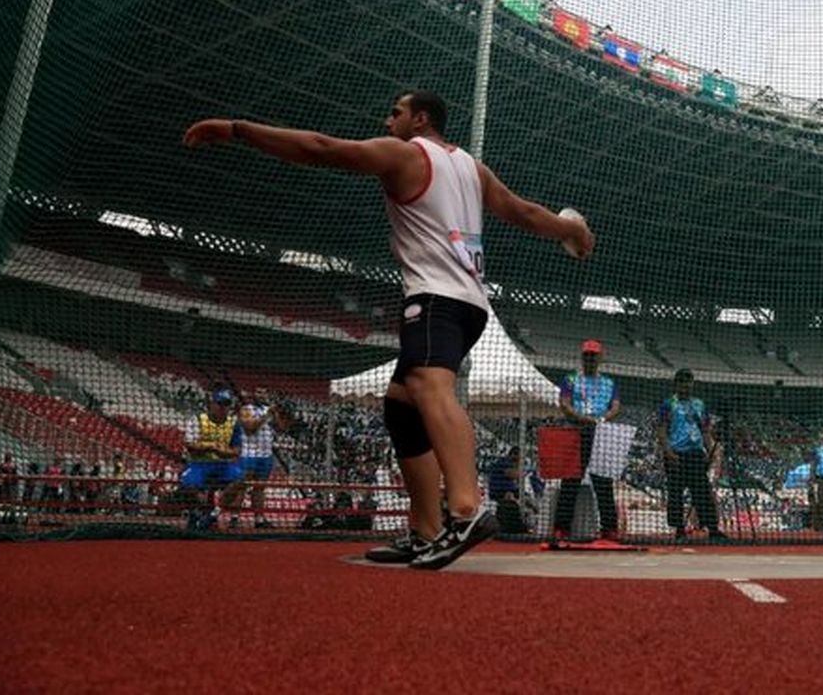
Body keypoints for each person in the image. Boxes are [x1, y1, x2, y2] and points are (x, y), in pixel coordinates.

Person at [185, 91, 593, 568]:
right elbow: (523, 213)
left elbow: (322, 148)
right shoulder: (470, 167)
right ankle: (425, 530)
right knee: (400, 409)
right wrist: (570, 231)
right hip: (469, 306)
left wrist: (239, 129)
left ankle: (465, 508)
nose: (388, 118)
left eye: (396, 112)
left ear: (420, 119)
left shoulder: (405, 152)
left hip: (434, 299)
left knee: (427, 385)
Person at [552, 339, 622, 542]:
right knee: (570, 480)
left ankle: (609, 528)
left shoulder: (609, 383)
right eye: (587, 355)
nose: (590, 359)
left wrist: (603, 419)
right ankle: (561, 527)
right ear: (582, 357)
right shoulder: (571, 380)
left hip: (601, 434)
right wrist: (584, 419)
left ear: (600, 358)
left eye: (594, 355)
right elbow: (564, 405)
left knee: (603, 482)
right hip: (576, 431)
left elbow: (616, 406)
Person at [657, 368, 723, 541]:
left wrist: (712, 450)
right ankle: (679, 530)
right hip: (676, 454)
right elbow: (662, 429)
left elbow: (706, 430)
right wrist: (668, 451)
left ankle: (713, 529)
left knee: (702, 492)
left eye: (689, 382)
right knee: (675, 493)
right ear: (676, 384)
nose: (686, 386)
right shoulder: (668, 404)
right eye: (682, 382)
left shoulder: (699, 405)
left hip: (696, 454)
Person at [180, 389, 242, 530]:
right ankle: (196, 513)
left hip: (223, 464)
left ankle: (214, 513)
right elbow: (190, 445)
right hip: (199, 464)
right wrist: (211, 447)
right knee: (187, 483)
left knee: (241, 480)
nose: (223, 408)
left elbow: (237, 451)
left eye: (226, 404)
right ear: (212, 404)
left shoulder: (234, 424)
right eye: (219, 403)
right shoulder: (198, 419)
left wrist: (223, 452)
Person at [224, 388, 280, 529]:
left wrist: (277, 415)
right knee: (242, 485)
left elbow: (279, 429)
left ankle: (259, 519)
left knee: (260, 488)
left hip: (266, 454)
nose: (261, 395)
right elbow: (250, 428)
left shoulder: (268, 409)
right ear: (253, 394)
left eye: (263, 392)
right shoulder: (246, 409)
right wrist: (267, 415)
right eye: (258, 392)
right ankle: (234, 517)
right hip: (249, 454)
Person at [488, 446, 529, 534]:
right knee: (512, 497)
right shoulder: (504, 462)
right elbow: (514, 475)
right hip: (499, 490)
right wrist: (519, 466)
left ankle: (528, 521)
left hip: (509, 489)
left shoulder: (511, 463)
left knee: (528, 499)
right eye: (518, 456)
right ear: (513, 455)